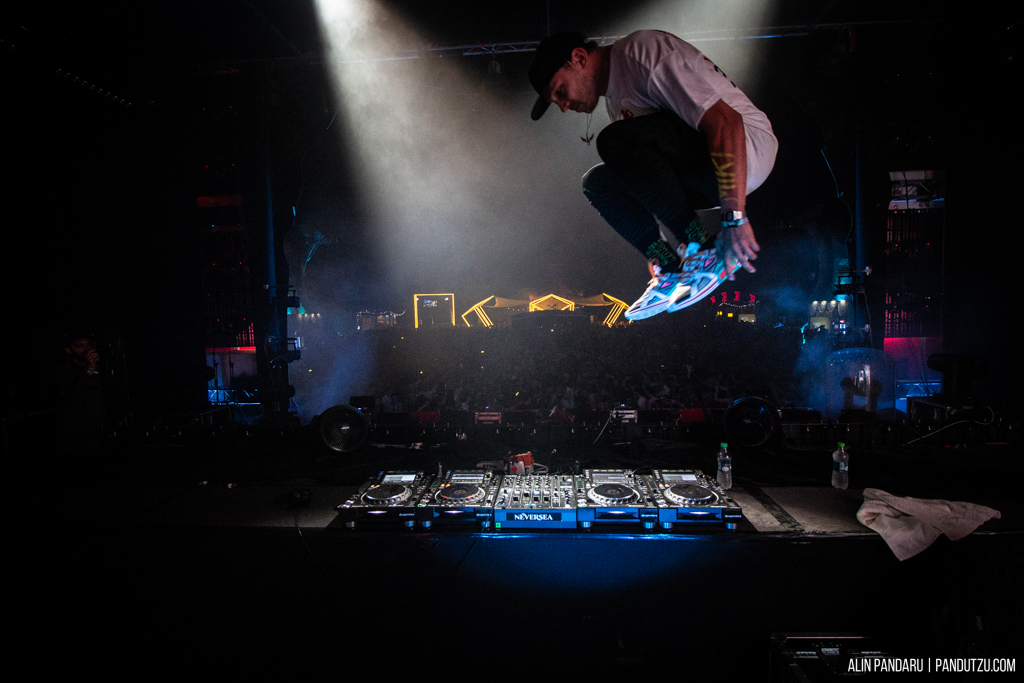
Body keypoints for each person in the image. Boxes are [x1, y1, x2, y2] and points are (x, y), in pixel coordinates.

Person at [529, 30, 777, 319]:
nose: (563, 106)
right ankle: (669, 267)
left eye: (560, 92)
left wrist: (734, 218)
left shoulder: (643, 54)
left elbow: (726, 121)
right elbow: (653, 181)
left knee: (614, 141)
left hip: (746, 148)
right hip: (708, 172)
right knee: (598, 184)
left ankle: (702, 249)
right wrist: (654, 244)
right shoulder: (616, 101)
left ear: (579, 58)